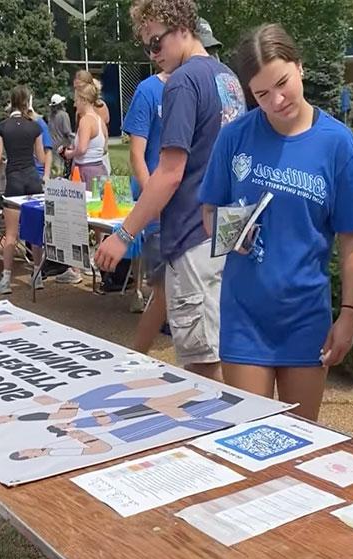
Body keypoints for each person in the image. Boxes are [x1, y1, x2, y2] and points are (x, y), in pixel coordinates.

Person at [199, 24, 353, 420]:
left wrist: (349, 314)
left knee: (300, 443)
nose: (277, 100)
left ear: (299, 67)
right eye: (261, 93)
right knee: (246, 436)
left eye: (282, 83)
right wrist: (232, 232)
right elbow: (208, 214)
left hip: (305, 318)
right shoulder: (234, 138)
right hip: (245, 316)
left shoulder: (338, 144)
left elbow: (352, 238)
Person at [95, 0, 246, 381]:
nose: (152, 54)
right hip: (228, 233)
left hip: (194, 235)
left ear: (182, 27)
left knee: (202, 367)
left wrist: (124, 234)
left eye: (156, 43)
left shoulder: (182, 82)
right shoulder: (226, 77)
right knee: (225, 352)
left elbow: (170, 172)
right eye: (147, 46)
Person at [122, 67, 171, 352]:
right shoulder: (148, 91)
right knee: (163, 282)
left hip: (192, 202)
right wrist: (154, 201)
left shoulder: (209, 82)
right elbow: (136, 155)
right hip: (159, 203)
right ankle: (139, 355)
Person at [0, 85, 49, 295]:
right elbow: (41, 158)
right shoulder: (34, 126)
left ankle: (6, 279)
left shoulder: (2, 127)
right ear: (27, 102)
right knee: (34, 232)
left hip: (14, 179)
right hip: (33, 180)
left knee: (11, 234)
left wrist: (1, 161)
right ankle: (37, 275)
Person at [62, 80, 108, 193]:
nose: (74, 104)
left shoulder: (86, 121)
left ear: (83, 100)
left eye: (76, 100)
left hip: (86, 172)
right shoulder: (99, 120)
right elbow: (103, 148)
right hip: (99, 169)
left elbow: (82, 149)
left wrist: (68, 154)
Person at [48, 94, 74, 176]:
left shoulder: (50, 116)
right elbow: (67, 131)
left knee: (54, 170)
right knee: (62, 171)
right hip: (62, 147)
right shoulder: (64, 115)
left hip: (52, 145)